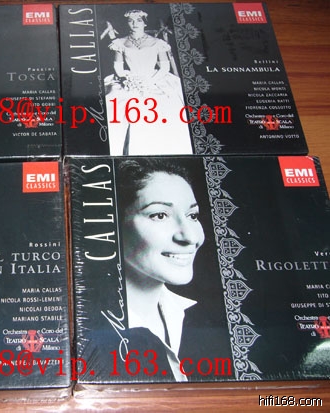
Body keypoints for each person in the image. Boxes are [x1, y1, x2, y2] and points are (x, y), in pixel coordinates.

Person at [117, 159, 204, 381]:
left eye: (193, 216)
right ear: (113, 223)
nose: (190, 237)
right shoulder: (96, 330)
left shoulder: (191, 316)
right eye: (159, 215)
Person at [104, 10, 192, 155]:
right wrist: (127, 78)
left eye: (139, 20)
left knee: (167, 107)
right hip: (131, 79)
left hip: (155, 79)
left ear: (145, 23)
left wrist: (149, 81)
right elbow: (118, 67)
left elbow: (164, 67)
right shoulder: (120, 43)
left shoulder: (158, 43)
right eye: (131, 21)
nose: (135, 24)